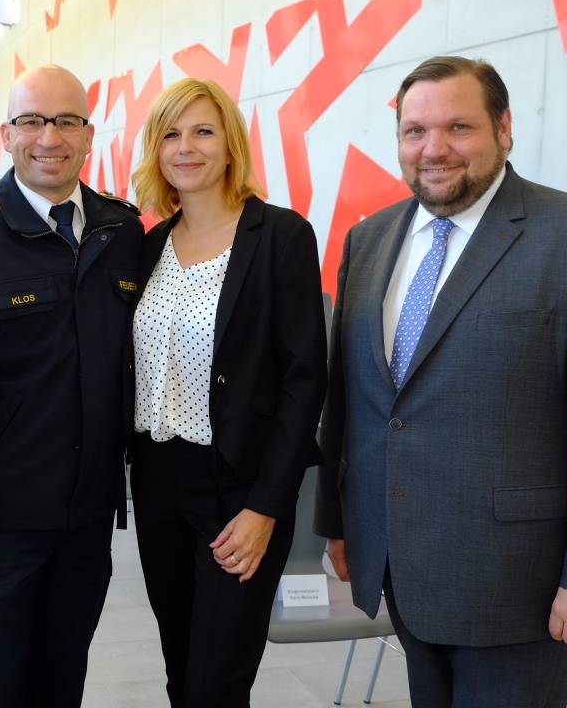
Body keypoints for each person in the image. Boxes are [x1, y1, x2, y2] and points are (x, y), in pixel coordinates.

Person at [314, 56, 567, 707]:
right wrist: (343, 524)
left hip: (519, 584)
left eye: (459, 127)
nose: (434, 149)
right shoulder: (368, 240)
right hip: (403, 567)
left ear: (504, 128)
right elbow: (355, 400)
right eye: (414, 131)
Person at [0, 64, 143, 708]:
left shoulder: (120, 230)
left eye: (66, 120)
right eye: (32, 121)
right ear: (6, 135)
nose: (50, 136)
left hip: (89, 517)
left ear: (88, 133)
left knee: (62, 681)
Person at [129, 78, 327, 705]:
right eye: (171, 134)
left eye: (202, 131)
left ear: (231, 144)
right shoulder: (150, 245)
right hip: (158, 483)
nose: (185, 147)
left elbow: (304, 382)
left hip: (238, 488)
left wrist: (267, 506)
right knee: (181, 670)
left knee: (217, 681)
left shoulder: (281, 238)